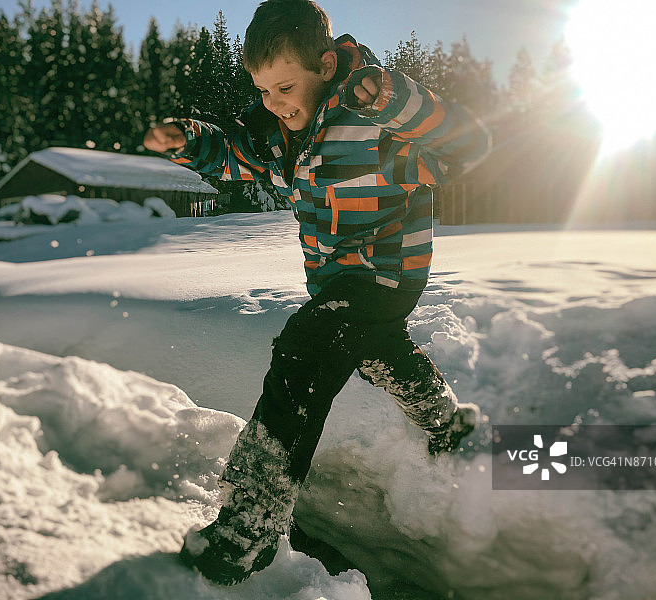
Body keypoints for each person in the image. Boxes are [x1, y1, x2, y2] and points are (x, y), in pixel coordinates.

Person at [143, 0, 490, 585]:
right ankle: (444, 421)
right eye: (263, 91)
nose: (273, 103)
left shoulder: (376, 115)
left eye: (284, 87)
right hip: (337, 283)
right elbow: (238, 160)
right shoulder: (287, 136)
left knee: (304, 350)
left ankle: (246, 529)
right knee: (377, 353)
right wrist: (190, 141)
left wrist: (393, 98)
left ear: (326, 64)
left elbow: (467, 145)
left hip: (385, 275)